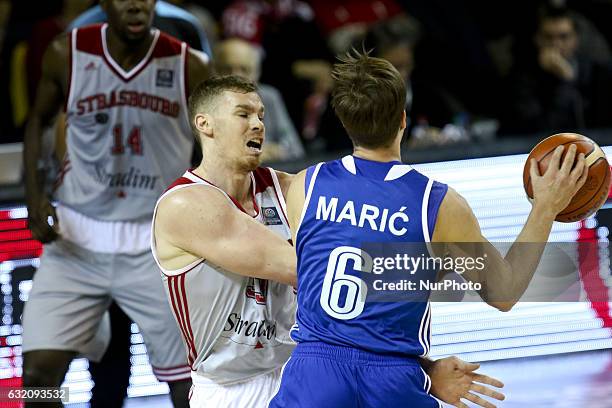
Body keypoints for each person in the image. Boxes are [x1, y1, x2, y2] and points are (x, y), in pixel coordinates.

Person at [152, 75, 506, 408]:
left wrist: (422, 372)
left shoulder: (294, 188)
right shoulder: (185, 205)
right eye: (243, 114)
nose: (258, 124)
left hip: (308, 374)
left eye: (261, 115)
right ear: (204, 124)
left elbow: (349, 297)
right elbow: (323, 275)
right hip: (232, 390)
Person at [269, 50, 587, 407]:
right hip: (391, 378)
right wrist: (545, 208)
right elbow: (504, 291)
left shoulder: (304, 187)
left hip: (313, 373)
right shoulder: (437, 204)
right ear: (403, 120)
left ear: (344, 120)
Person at [22, 1, 210, 407]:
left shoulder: (188, 64)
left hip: (157, 244)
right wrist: (35, 196)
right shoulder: (66, 53)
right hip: (76, 241)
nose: (135, 4)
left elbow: (216, 143)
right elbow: (37, 119)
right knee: (34, 381)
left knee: (191, 386)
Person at [506, 4, 612, 133]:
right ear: (537, 39)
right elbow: (542, 130)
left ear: (576, 39)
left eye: (564, 37)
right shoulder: (523, 78)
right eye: (548, 37)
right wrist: (565, 82)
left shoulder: (597, 72)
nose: (556, 44)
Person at [215, 38, 305, 162]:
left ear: (257, 73)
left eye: (244, 69)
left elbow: (294, 148)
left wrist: (276, 150)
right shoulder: (205, 103)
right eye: (227, 69)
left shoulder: (269, 97)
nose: (236, 76)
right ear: (214, 71)